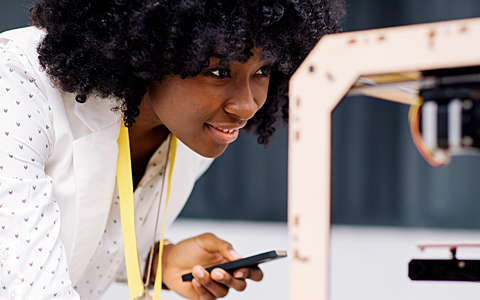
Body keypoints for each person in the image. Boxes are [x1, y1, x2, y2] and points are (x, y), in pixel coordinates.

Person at [0, 0, 345, 299]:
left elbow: (73, 236)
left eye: (263, 71)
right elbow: (32, 287)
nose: (247, 105)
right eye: (218, 71)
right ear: (151, 50)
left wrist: (159, 261)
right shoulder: (15, 84)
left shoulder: (194, 132)